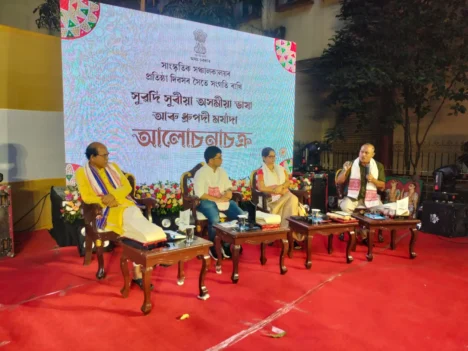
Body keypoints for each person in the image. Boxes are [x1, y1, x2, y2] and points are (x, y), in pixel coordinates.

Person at [76, 142, 165, 289]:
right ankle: (154, 244)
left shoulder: (114, 167)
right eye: (103, 155)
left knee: (136, 228)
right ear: (92, 157)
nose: (107, 158)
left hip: (127, 205)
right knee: (139, 232)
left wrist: (113, 196)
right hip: (105, 211)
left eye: (107, 155)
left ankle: (142, 264)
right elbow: (86, 197)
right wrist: (103, 200)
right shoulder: (82, 173)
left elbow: (127, 187)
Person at [194, 146, 245, 260]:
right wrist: (217, 199)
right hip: (206, 202)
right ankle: (213, 246)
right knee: (215, 220)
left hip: (222, 201)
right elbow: (200, 194)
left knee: (241, 217)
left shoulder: (222, 171)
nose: (222, 160)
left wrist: (228, 193)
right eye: (219, 157)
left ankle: (226, 244)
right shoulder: (200, 173)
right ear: (211, 160)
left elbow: (228, 187)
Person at [336, 143, 386, 244]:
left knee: (382, 210)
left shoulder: (378, 166)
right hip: (353, 197)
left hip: (371, 198)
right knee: (345, 207)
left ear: (373, 154)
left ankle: (365, 233)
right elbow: (339, 181)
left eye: (366, 153)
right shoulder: (351, 164)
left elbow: (382, 186)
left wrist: (373, 180)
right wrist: (345, 170)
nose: (363, 155)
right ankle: (355, 232)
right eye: (361, 152)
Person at [256, 147, 300, 228]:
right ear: (263, 158)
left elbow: (287, 182)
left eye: (274, 156)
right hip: (270, 199)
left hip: (284, 195)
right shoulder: (261, 171)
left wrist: (281, 186)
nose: (273, 158)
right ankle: (288, 230)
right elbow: (261, 187)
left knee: (293, 199)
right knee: (293, 199)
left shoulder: (281, 169)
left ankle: (287, 229)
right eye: (270, 156)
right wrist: (276, 190)